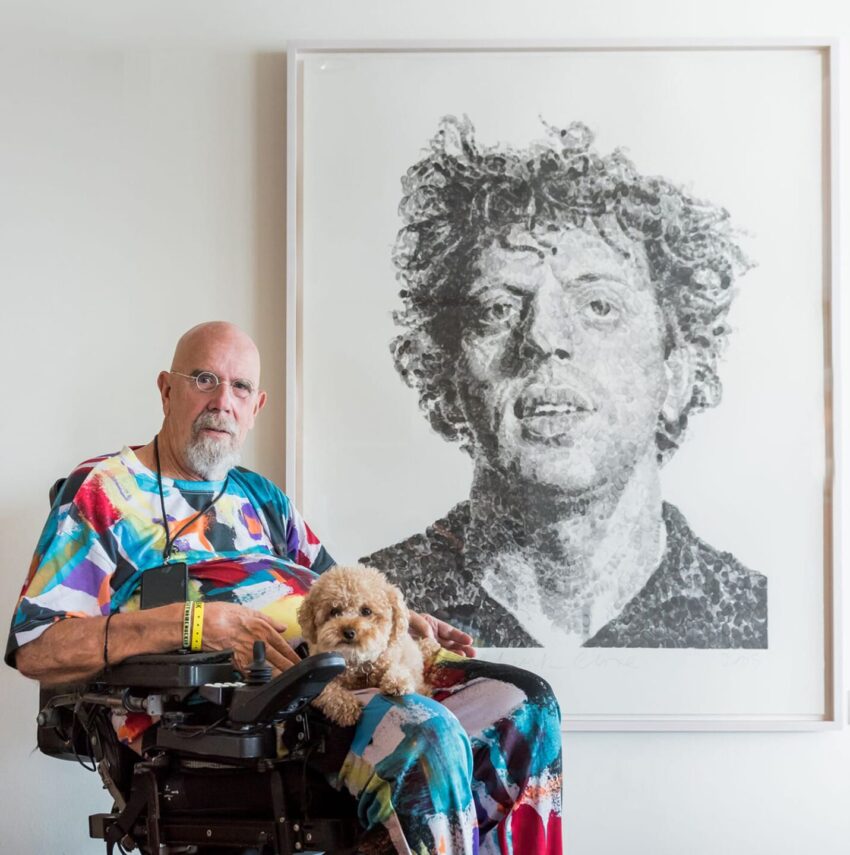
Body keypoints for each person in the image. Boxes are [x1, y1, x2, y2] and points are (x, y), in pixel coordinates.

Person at [7, 321, 562, 855]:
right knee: (427, 736)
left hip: (342, 679)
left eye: (240, 386)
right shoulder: (104, 491)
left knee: (526, 704)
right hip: (231, 722)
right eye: (204, 379)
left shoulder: (263, 497)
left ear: (256, 406)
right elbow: (36, 647)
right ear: (166, 390)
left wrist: (402, 616)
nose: (222, 400)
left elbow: (338, 592)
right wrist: (197, 623)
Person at [362, 116, 767, 650]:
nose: (543, 337)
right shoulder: (370, 608)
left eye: (600, 305)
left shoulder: (747, 614)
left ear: (677, 375)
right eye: (499, 308)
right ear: (447, 374)